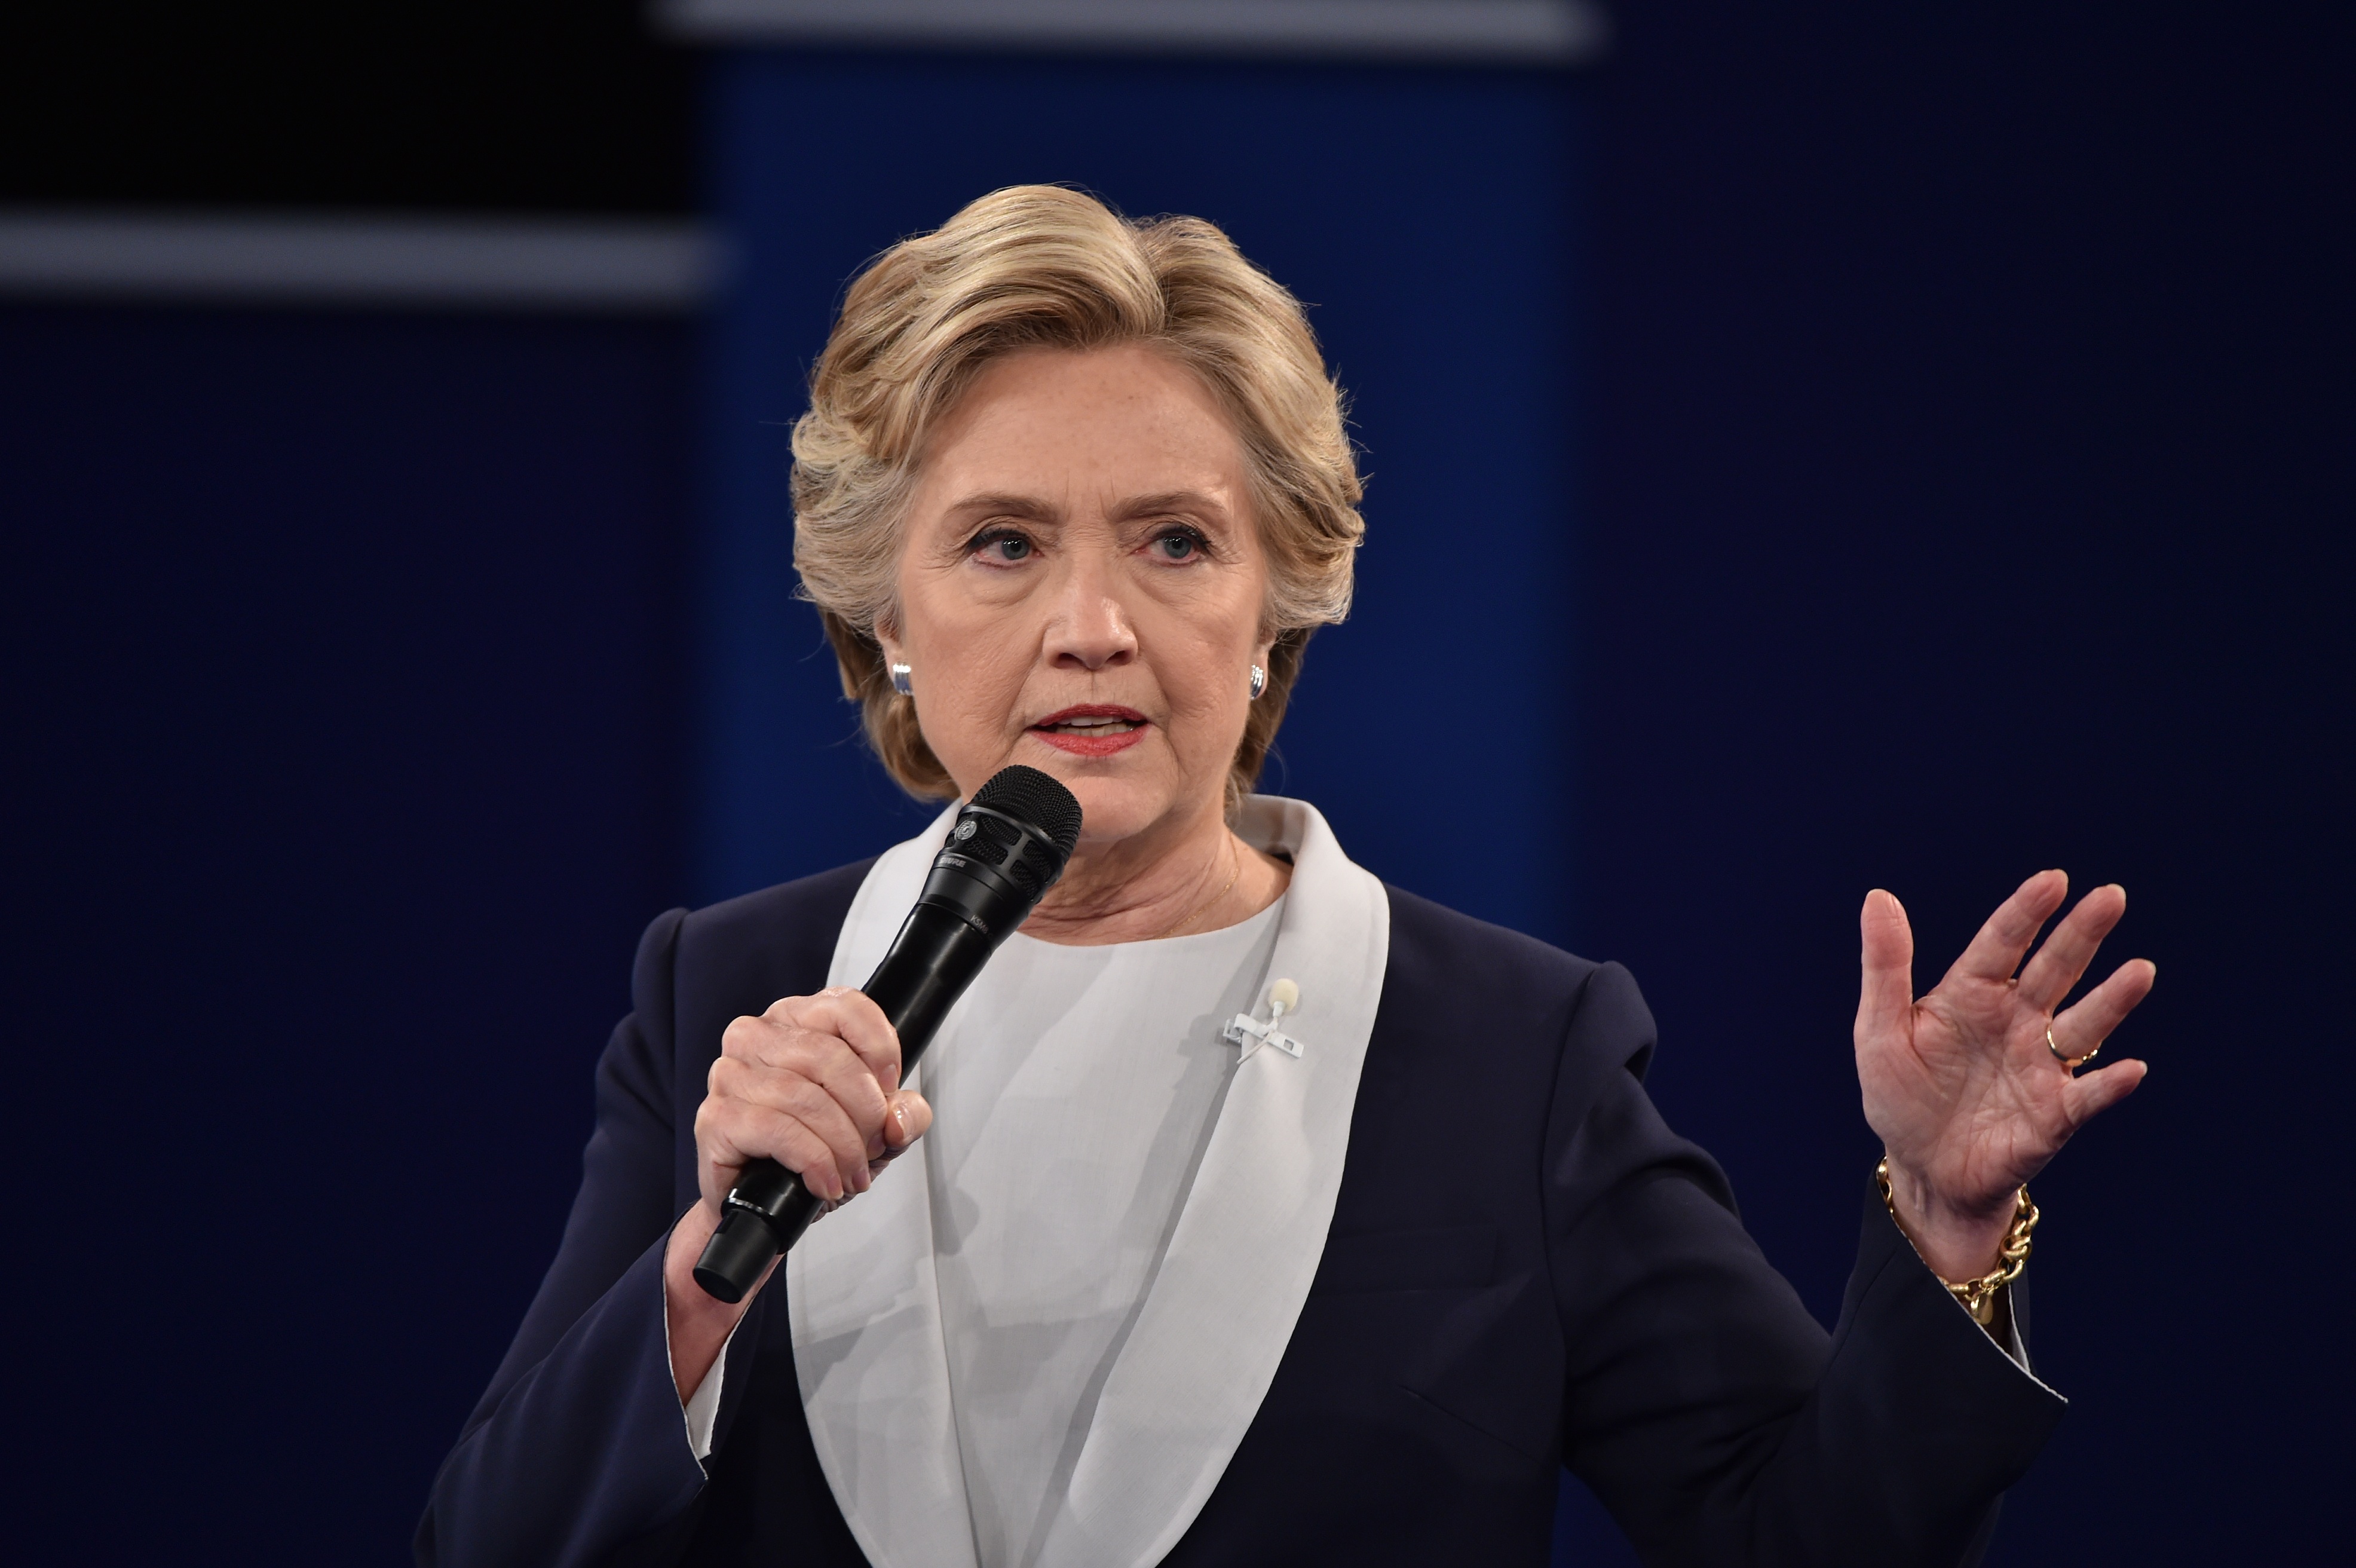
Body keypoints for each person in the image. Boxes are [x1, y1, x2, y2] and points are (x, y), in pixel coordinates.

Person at [416, 185, 2153, 1568]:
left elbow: (1808, 1536)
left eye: (1175, 542)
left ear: (1277, 607)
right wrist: (705, 1275)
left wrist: (1943, 1237)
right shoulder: (726, 995)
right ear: (885, 608)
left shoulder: (1508, 1053)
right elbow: (486, 1543)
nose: (1091, 629)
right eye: (1003, 543)